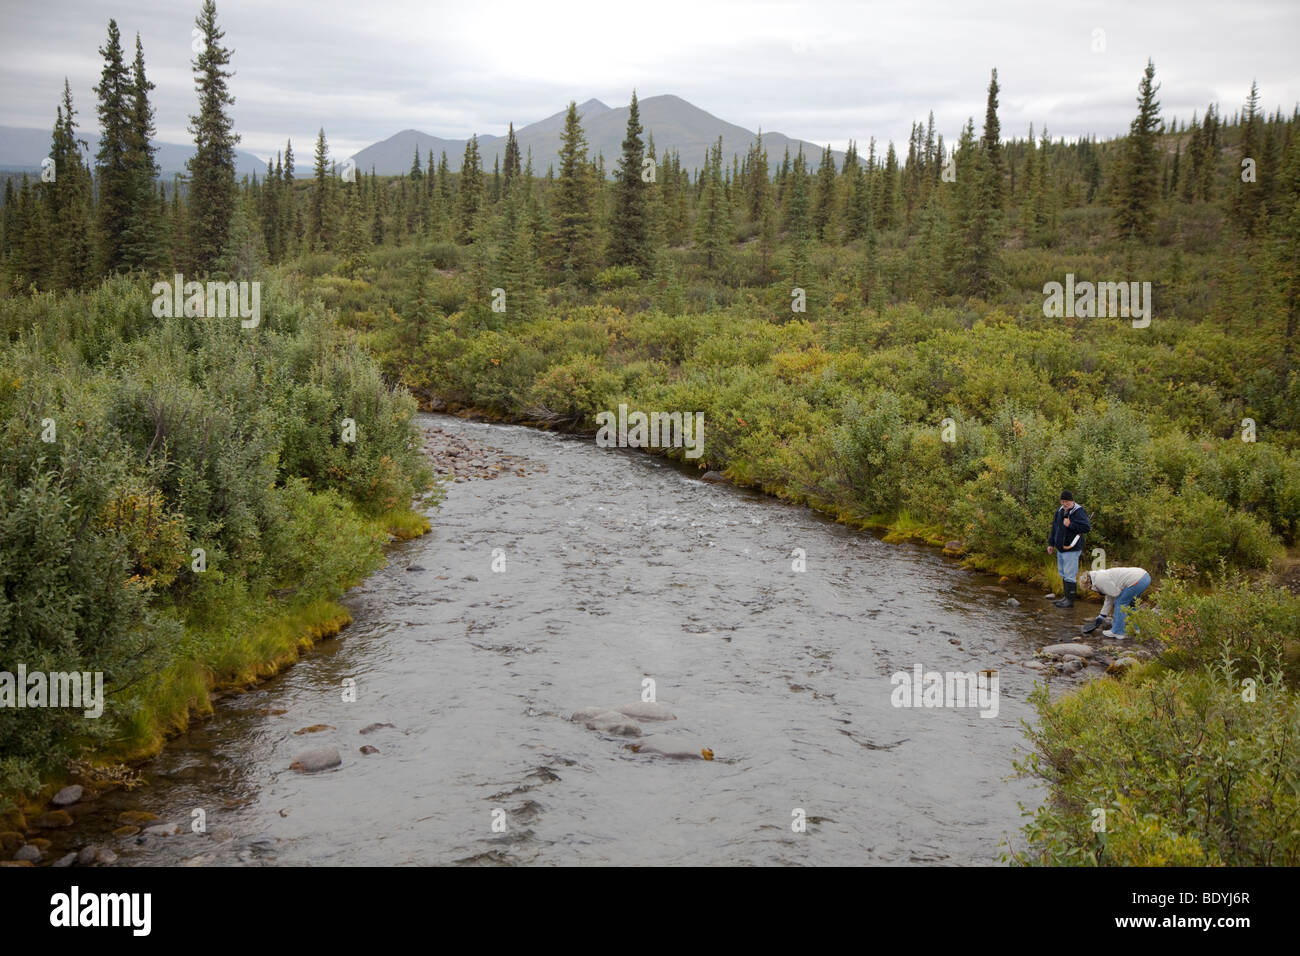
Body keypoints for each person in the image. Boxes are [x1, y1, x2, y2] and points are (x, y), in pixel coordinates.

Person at [1078, 567, 1151, 639]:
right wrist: (1102, 615)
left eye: (1089, 588)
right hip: (1144, 577)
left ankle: (1118, 632)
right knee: (1131, 605)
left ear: (1089, 584)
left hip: (1137, 580)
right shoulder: (1100, 575)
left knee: (1120, 603)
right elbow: (1110, 596)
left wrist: (1102, 615)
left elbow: (1115, 594)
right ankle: (1136, 629)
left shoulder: (1099, 580)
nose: (1092, 590)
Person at [1047, 490, 1091, 607]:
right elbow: (1054, 528)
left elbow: (1086, 528)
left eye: (1066, 501)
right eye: (1062, 501)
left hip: (1072, 548)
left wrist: (1070, 524)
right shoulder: (1059, 511)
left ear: (1072, 501)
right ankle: (1065, 598)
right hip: (1060, 548)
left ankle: (1070, 601)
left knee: (1070, 574)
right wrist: (1051, 543)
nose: (1064, 504)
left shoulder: (1079, 511)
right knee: (1063, 573)